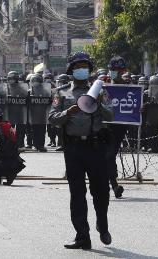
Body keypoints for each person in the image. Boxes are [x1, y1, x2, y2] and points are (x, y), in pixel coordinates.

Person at [49, 51, 112, 249]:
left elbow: (111, 115)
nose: (81, 70)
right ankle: (82, 236)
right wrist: (69, 112)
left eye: (84, 66)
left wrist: (99, 103)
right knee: (77, 193)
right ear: (71, 70)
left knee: (101, 191)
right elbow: (52, 118)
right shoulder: (62, 92)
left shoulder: (99, 90)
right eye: (77, 67)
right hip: (74, 148)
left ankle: (102, 224)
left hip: (96, 147)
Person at [105, 56, 128, 198]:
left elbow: (133, 106)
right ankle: (113, 184)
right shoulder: (103, 85)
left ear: (123, 71)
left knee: (110, 154)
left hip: (119, 126)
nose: (115, 72)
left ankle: (112, 183)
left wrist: (139, 109)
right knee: (107, 155)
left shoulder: (129, 87)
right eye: (113, 70)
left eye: (118, 70)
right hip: (104, 126)